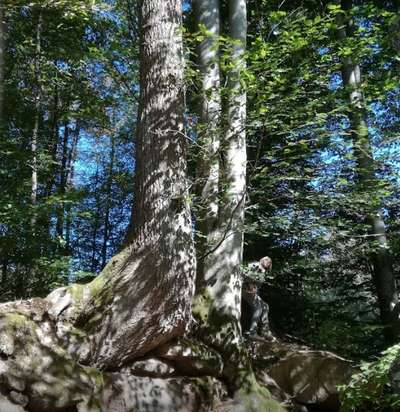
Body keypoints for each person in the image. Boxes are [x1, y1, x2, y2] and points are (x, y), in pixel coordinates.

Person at [241, 256, 274, 340]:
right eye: (267, 261)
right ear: (262, 260)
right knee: (258, 308)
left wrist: (254, 290)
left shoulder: (263, 270)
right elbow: (245, 274)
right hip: (245, 289)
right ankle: (252, 332)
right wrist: (250, 286)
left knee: (265, 306)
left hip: (252, 292)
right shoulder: (254, 265)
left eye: (269, 262)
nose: (268, 263)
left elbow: (257, 285)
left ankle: (264, 330)